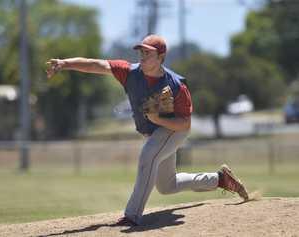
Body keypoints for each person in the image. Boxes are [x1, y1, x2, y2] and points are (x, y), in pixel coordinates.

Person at [46, 34, 248, 226]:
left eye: (147, 53)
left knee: (148, 156)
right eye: (141, 52)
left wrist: (158, 118)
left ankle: (132, 216)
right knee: (167, 186)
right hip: (154, 133)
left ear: (161, 57)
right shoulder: (129, 72)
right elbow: (96, 64)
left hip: (173, 130)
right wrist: (65, 63)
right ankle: (220, 179)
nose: (142, 56)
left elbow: (185, 124)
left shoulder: (176, 86)